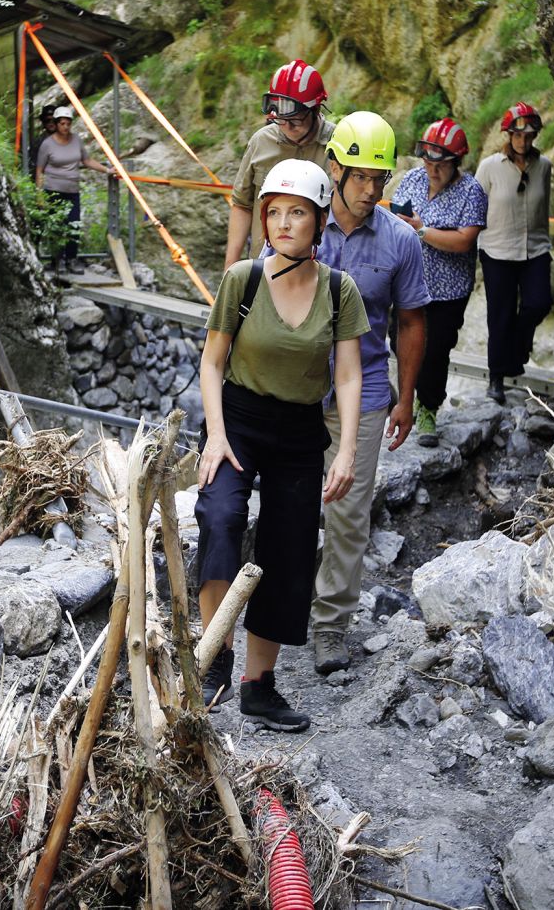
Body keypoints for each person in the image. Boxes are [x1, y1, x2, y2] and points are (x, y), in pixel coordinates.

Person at [195, 159, 369, 733]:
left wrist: (343, 452)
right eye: (274, 212)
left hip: (299, 431)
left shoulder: (340, 292)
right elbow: (212, 362)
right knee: (220, 517)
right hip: (239, 419)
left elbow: (348, 375)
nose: (283, 222)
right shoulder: (242, 279)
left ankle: (259, 686)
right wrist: (215, 436)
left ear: (320, 222)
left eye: (297, 212)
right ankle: (214, 659)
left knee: (289, 548)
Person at [309, 111, 430, 675]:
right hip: (298, 390)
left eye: (379, 179)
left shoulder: (402, 241)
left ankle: (330, 627)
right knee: (290, 502)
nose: (370, 190)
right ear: (334, 168)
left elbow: (410, 322)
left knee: (350, 513)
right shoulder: (301, 226)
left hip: (368, 392)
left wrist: (407, 397)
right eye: (359, 176)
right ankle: (281, 608)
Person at [391, 118, 487, 446]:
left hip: (448, 292)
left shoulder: (471, 191)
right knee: (398, 342)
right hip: (407, 281)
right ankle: (406, 399)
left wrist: (421, 229)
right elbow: (393, 217)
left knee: (434, 352)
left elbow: (463, 240)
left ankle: (428, 407)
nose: (432, 170)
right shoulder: (412, 179)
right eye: (428, 163)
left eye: (440, 165)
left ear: (455, 162)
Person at [475, 102, 553, 404]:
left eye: (529, 135)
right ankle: (497, 377)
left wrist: (546, 241)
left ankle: (518, 349)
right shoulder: (490, 167)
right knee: (500, 315)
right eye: (518, 135)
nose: (524, 141)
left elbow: (544, 207)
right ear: (508, 135)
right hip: (497, 250)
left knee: (539, 303)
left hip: (535, 248)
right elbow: (476, 206)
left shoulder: (544, 166)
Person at [224, 60, 335, 270]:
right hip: (263, 266)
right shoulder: (261, 142)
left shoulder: (337, 145)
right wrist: (230, 267)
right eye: (281, 120)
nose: (287, 126)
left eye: (295, 120)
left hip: (319, 270)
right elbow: (242, 205)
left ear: (315, 108)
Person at [35, 107, 110, 269]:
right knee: (57, 227)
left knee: (74, 225)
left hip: (72, 191)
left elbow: (87, 161)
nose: (66, 127)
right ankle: (57, 260)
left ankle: (71, 259)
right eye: (62, 123)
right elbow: (39, 170)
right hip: (53, 191)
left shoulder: (76, 140)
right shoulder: (47, 144)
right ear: (56, 124)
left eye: (68, 123)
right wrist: (40, 195)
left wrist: (107, 170)